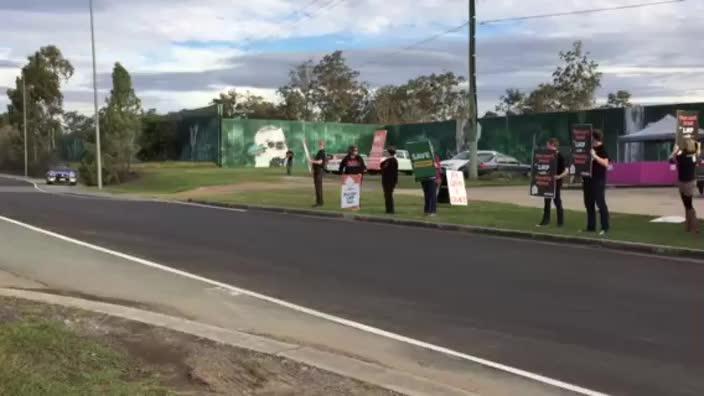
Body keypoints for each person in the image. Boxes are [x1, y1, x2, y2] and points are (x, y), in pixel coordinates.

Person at [582, 130, 610, 236]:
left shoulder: (602, 148)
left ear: (594, 138)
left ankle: (605, 227)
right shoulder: (588, 148)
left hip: (598, 179)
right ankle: (591, 227)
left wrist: (595, 156)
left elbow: (606, 163)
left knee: (600, 203)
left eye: (590, 137)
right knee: (589, 203)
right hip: (587, 179)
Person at [670, 139, 700, 233]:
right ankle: (689, 227)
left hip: (683, 182)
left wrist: (675, 151)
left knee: (688, 205)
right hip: (691, 181)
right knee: (688, 205)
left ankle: (694, 227)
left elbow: (671, 160)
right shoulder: (694, 156)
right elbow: (698, 158)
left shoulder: (681, 155)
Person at [538, 138, 568, 227]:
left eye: (548, 145)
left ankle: (560, 222)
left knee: (557, 201)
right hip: (548, 182)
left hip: (556, 182)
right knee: (547, 201)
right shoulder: (547, 156)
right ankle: (545, 221)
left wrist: (559, 176)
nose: (546, 147)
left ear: (552, 145)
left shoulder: (560, 156)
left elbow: (566, 170)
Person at [380, 147, 399, 214]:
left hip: (390, 181)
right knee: (386, 195)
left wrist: (395, 181)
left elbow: (395, 172)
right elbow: (381, 165)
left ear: (389, 153)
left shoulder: (393, 161)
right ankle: (387, 209)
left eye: (386, 152)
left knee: (389, 195)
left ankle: (391, 210)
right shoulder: (387, 160)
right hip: (385, 180)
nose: (385, 153)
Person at [309, 140, 327, 207]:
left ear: (323, 145)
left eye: (321, 144)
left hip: (319, 171)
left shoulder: (322, 152)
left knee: (318, 187)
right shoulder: (319, 152)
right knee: (317, 187)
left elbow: (320, 162)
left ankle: (320, 203)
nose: (319, 145)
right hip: (316, 171)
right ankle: (319, 202)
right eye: (319, 144)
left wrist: (312, 161)